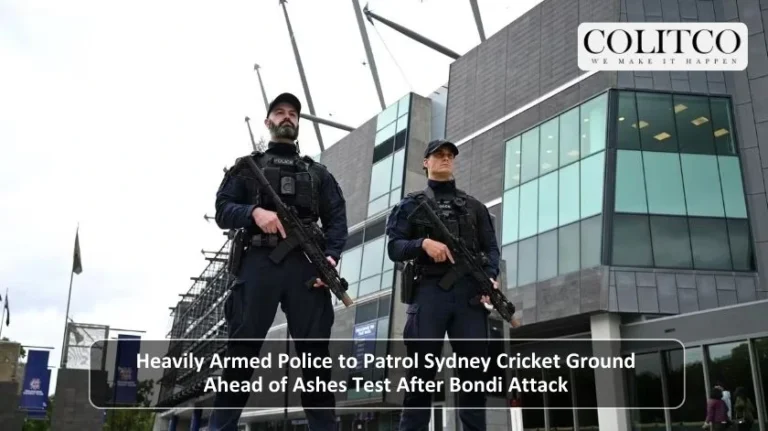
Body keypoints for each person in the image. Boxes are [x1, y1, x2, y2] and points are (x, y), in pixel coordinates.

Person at [208, 92, 348, 431]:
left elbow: (337, 220)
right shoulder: (247, 168)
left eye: (293, 114)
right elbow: (223, 211)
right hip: (258, 263)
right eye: (280, 113)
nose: (287, 117)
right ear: (268, 121)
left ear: (298, 123)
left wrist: (329, 260)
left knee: (315, 362)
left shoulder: (318, 174)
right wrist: (254, 212)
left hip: (307, 269)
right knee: (240, 356)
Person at [386, 139, 516, 431]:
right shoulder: (410, 205)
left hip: (470, 297)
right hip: (429, 291)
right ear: (425, 162)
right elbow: (394, 248)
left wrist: (491, 276)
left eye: (449, 156)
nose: (445, 159)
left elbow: (492, 249)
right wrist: (423, 244)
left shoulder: (475, 207)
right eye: (438, 155)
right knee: (421, 373)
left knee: (473, 377)